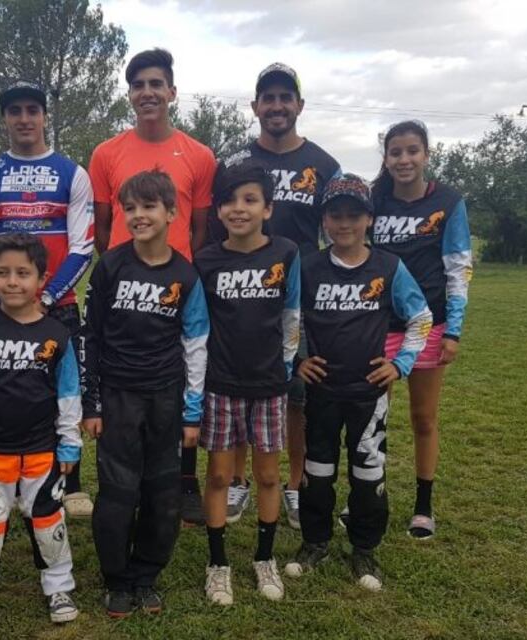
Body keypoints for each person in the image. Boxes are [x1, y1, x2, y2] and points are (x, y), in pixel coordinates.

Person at [283, 175, 432, 591]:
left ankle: (364, 549)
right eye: (335, 215)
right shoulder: (308, 264)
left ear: (369, 218)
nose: (344, 223)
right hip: (322, 393)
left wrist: (401, 364)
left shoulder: (387, 266)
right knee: (317, 472)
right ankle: (314, 543)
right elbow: (290, 319)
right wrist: (297, 360)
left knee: (368, 474)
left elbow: (420, 317)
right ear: (324, 220)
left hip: (369, 394)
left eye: (353, 214)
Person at [88, 48, 216, 526]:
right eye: (138, 85)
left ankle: (182, 483)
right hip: (123, 289)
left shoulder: (200, 155)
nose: (147, 92)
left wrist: (173, 274)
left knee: (177, 383)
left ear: (172, 92)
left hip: (176, 290)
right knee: (124, 388)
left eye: (156, 84)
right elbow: (103, 227)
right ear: (130, 94)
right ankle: (127, 484)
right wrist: (124, 274)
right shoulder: (106, 153)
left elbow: (200, 230)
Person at [211, 63, 341, 529]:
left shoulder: (324, 166)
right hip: (242, 297)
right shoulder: (236, 164)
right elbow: (214, 230)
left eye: (286, 97)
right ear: (255, 107)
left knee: (296, 397)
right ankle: (242, 481)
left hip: (299, 300)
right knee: (242, 389)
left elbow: (339, 233)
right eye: (268, 98)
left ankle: (294, 485)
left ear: (299, 106)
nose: (277, 105)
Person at [81, 170, 209, 618]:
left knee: (162, 493)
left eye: (149, 206)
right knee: (118, 492)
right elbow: (90, 336)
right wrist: (92, 402)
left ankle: (146, 574)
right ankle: (116, 579)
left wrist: (192, 413)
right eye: (129, 207)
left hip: (166, 399)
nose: (138, 215)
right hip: (117, 397)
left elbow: (195, 344)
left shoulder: (185, 274)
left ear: (172, 213)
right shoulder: (111, 266)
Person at [0, 82, 95, 518]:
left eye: (32, 110)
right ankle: (6, 475)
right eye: (15, 111)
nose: (24, 118)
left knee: (65, 392)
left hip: (58, 305)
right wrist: (5, 298)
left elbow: (83, 246)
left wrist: (48, 296)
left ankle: (69, 480)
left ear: (44, 117)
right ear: (5, 118)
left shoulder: (72, 173)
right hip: (5, 305)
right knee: (11, 391)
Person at [0, 234, 82, 632]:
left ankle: (59, 586)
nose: (12, 281)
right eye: (2, 272)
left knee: (48, 522)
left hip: (42, 451)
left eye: (23, 273)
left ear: (42, 279)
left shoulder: (56, 335)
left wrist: (70, 445)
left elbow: (69, 394)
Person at [194, 163, 300, 605]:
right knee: (219, 475)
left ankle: (263, 558)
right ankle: (217, 565)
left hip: (270, 385)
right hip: (220, 384)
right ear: (218, 210)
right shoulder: (206, 260)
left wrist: (286, 369)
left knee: (269, 475)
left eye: (250, 200)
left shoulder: (286, 253)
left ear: (268, 208)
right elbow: (197, 326)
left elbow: (293, 316)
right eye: (230, 201)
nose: (239, 209)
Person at [370, 120, 472, 540]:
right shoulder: (373, 199)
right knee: (373, 418)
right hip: (376, 324)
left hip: (428, 324)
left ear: (426, 154)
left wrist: (454, 331)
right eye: (395, 152)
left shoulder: (448, 201)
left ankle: (423, 506)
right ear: (386, 158)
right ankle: (367, 495)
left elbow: (458, 268)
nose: (404, 159)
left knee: (423, 418)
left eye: (412, 150)